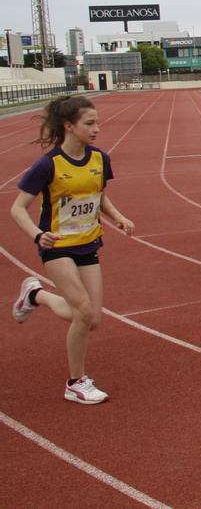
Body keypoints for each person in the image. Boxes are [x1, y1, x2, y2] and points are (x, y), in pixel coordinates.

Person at [11, 95, 135, 405]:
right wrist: (38, 235)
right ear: (69, 126)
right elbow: (17, 208)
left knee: (92, 318)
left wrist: (118, 217)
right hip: (57, 246)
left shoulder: (99, 159)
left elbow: (99, 196)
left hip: (88, 243)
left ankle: (35, 296)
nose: (97, 129)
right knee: (81, 311)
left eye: (97, 123)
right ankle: (76, 382)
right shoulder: (48, 165)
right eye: (89, 123)